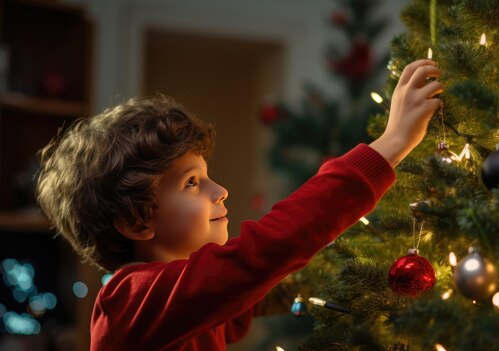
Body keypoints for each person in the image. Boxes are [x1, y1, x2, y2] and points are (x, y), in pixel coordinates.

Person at [35, 59, 443, 350]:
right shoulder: (129, 303)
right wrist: (389, 145)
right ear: (135, 221)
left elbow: (255, 291)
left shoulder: (185, 306)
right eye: (192, 182)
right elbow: (259, 256)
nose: (221, 190)